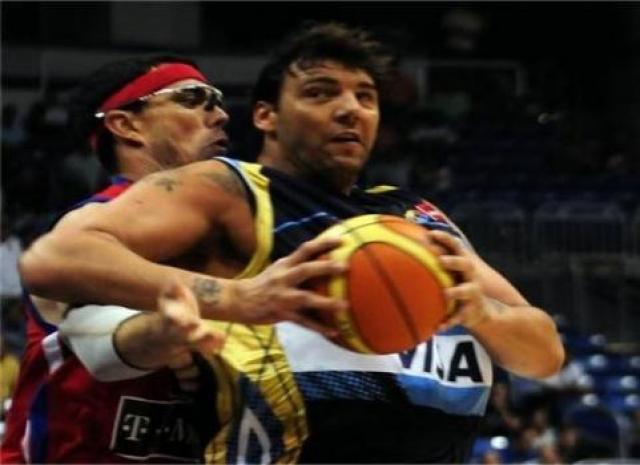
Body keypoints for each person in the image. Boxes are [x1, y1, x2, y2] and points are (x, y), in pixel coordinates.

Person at [19, 22, 564, 463]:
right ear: (266, 116)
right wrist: (228, 302)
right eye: (321, 92)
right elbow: (69, 282)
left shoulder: (415, 217)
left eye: (366, 96)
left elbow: (545, 353)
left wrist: (480, 312)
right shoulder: (223, 193)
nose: (350, 109)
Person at [2, 53, 344, 463]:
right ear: (126, 125)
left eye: (218, 102)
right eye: (192, 98)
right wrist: (169, 331)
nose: (220, 116)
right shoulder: (90, 229)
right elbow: (99, 341)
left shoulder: (236, 231)